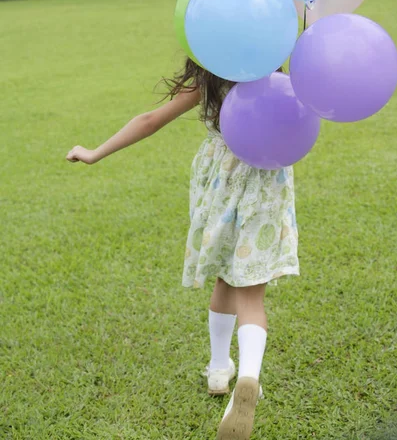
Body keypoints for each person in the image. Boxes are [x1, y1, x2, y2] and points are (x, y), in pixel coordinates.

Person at [66, 57, 299, 440]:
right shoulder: (272, 75)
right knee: (250, 290)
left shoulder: (211, 76)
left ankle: (220, 369)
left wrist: (95, 152)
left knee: (226, 273)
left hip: (220, 183)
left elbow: (149, 120)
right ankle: (247, 378)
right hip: (265, 183)